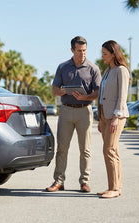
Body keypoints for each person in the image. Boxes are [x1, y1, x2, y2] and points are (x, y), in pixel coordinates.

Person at [45, 36, 101, 193]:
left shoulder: (93, 68)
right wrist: (65, 91)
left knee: (86, 149)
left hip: (85, 111)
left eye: (84, 51)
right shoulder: (62, 67)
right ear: (72, 50)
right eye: (79, 51)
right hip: (66, 110)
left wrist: (85, 97)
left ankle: (84, 181)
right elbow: (55, 89)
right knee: (62, 147)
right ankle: (58, 181)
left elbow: (97, 92)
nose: (82, 54)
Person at [97, 40, 130, 198]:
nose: (102, 56)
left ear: (113, 54)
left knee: (108, 150)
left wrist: (116, 117)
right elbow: (103, 95)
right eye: (102, 53)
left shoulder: (121, 70)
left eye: (105, 54)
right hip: (105, 115)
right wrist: (100, 118)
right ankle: (115, 186)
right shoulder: (107, 71)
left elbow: (122, 97)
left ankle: (114, 189)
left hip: (116, 116)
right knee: (113, 150)